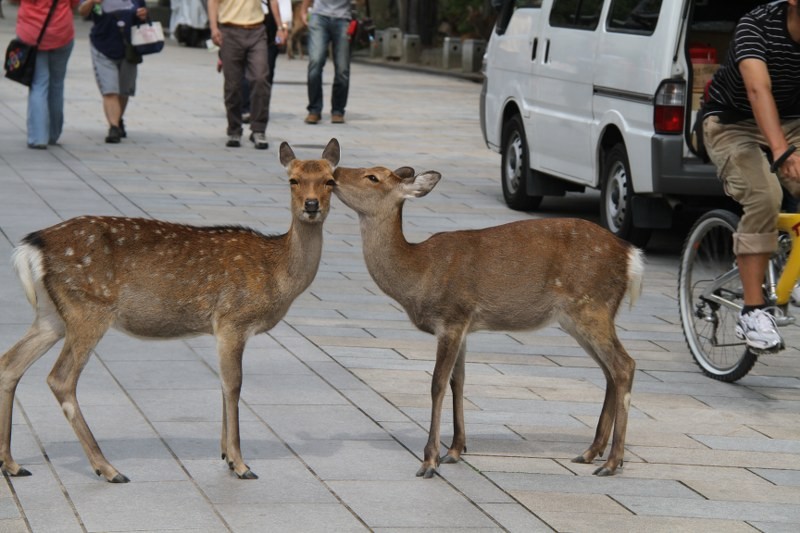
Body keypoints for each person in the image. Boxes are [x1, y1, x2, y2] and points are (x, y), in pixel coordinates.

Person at [703, 0, 800, 353]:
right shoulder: (756, 26)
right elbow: (759, 91)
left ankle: (793, 267)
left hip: (792, 121)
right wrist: (781, 151)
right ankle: (752, 312)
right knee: (765, 195)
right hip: (731, 122)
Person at [10, 0, 81, 149]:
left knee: (38, 83)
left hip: (33, 34)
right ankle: (52, 134)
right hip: (62, 32)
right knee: (57, 84)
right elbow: (74, 3)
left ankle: (38, 137)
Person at [78, 0, 149, 144]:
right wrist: (92, 1)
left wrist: (143, 15)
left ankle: (117, 119)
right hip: (102, 46)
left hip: (129, 49)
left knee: (124, 90)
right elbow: (82, 11)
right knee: (109, 90)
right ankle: (114, 127)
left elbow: (143, 13)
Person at [207, 0, 275, 149]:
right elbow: (212, 2)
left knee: (260, 78)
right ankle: (234, 129)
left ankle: (258, 129)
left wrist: (282, 26)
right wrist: (213, 28)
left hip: (257, 30)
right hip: (229, 31)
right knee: (233, 84)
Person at [300, 0, 351, 124]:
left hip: (343, 18)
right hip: (319, 17)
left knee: (342, 68)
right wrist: (304, 10)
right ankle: (314, 110)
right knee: (315, 62)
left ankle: (338, 111)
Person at [240, 0, 289, 124]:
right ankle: (246, 108)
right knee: (246, 71)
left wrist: (282, 27)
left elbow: (283, 4)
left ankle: (261, 109)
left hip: (270, 30)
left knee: (266, 74)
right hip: (245, 27)